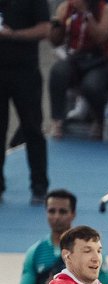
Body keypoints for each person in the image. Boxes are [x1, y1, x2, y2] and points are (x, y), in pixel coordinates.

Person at [19, 189, 108, 284]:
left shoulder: (91, 251)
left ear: (73, 214)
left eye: (62, 212)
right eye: (52, 211)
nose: (56, 217)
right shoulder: (35, 252)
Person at [0, 0, 50, 205]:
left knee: (32, 130)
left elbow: (45, 29)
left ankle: (39, 186)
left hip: (25, 71)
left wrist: (13, 35)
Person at [47, 0, 108, 139]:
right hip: (76, 58)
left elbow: (101, 37)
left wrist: (86, 13)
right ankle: (57, 120)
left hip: (99, 60)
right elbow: (55, 41)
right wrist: (57, 23)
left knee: (91, 85)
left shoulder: (106, 10)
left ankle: (99, 120)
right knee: (57, 72)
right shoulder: (66, 8)